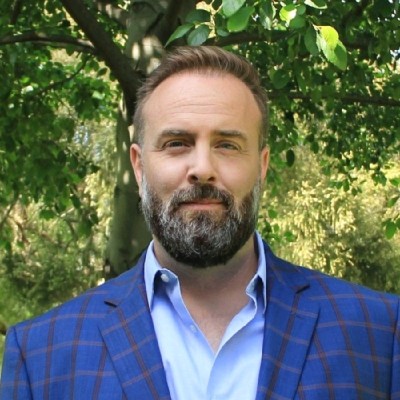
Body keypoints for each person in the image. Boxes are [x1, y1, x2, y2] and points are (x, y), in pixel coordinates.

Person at [1, 46, 399, 400]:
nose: (203, 168)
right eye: (177, 143)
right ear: (139, 166)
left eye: (227, 144)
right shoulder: (41, 354)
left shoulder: (379, 333)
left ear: (262, 166)